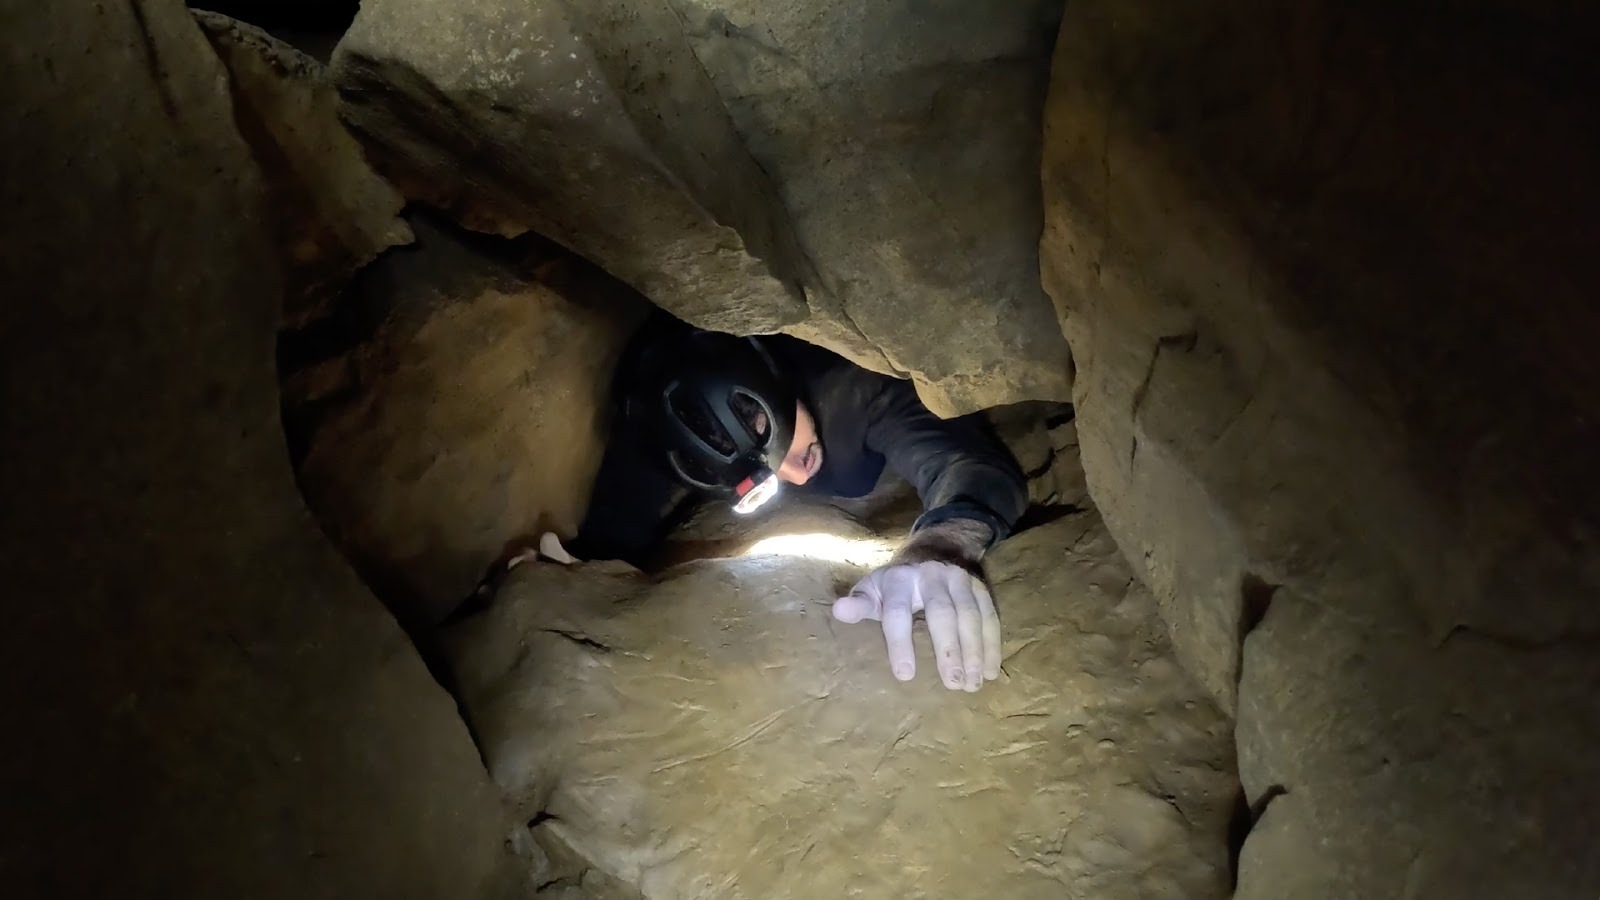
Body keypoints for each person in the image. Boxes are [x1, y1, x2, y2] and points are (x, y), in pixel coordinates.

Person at [564, 313, 1027, 693]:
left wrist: (942, 543)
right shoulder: (673, 445)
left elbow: (964, 463)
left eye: (787, 442)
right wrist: (580, 569)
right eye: (765, 477)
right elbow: (620, 513)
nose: (797, 474)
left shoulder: (857, 387)